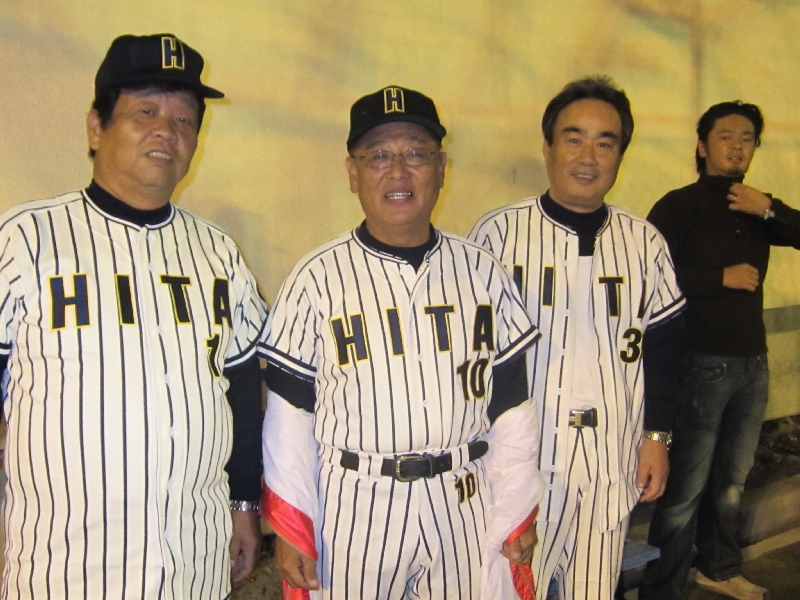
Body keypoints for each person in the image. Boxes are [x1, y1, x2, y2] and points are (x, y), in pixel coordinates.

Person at [0, 34, 268, 599]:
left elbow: (243, 389)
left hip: (195, 557)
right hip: (65, 565)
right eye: (145, 111)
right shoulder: (26, 239)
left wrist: (245, 502)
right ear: (96, 128)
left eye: (184, 119)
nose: (166, 131)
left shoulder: (219, 254)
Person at [260, 85, 544, 599]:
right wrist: (291, 523)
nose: (398, 171)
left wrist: (517, 504)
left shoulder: (483, 271)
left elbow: (512, 407)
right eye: (378, 156)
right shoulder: (314, 278)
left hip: (462, 497)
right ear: (353, 173)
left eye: (416, 153)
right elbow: (289, 417)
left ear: (441, 168)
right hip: (356, 501)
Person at [469, 76, 686, 599]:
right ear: (547, 148)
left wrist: (657, 438)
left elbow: (664, 350)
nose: (588, 156)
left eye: (605, 143)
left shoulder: (644, 242)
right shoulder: (497, 235)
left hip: (612, 456)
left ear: (620, 155)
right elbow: (471, 354)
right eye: (574, 138)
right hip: (523, 461)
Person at [639, 101, 800, 600]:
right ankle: (662, 589)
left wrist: (769, 208)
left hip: (753, 362)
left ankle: (719, 569)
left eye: (747, 138)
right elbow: (648, 278)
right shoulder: (678, 206)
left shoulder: (756, 207)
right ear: (702, 145)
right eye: (726, 135)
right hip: (699, 365)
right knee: (685, 488)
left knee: (733, 480)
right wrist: (718, 278)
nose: (737, 146)